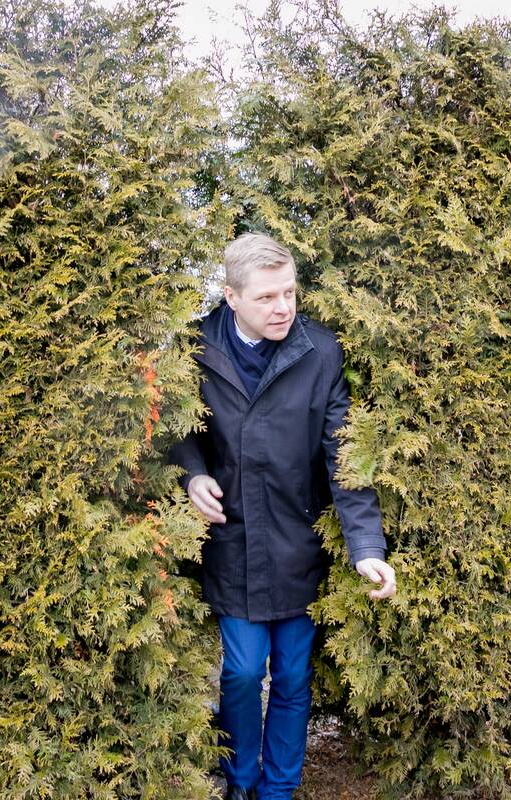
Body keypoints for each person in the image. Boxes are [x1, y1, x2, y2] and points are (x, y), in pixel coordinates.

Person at [169, 232, 396, 800]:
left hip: (299, 542)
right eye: (267, 297)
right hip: (233, 543)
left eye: (290, 293)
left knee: (294, 676)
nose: (283, 308)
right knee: (243, 673)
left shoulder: (320, 352)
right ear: (231, 297)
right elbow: (176, 432)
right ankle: (240, 783)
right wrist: (193, 475)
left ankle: (278, 790)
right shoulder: (194, 350)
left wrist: (367, 548)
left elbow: (345, 457)